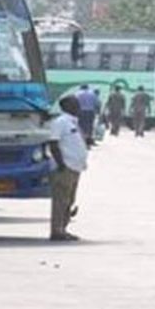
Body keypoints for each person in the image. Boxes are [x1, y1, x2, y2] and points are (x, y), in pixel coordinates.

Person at [48, 95, 89, 241]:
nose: (78, 106)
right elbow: (53, 144)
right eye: (75, 104)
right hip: (64, 168)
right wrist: (60, 165)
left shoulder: (73, 122)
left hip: (75, 168)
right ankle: (56, 231)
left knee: (68, 200)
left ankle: (63, 229)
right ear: (67, 106)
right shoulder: (61, 122)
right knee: (60, 201)